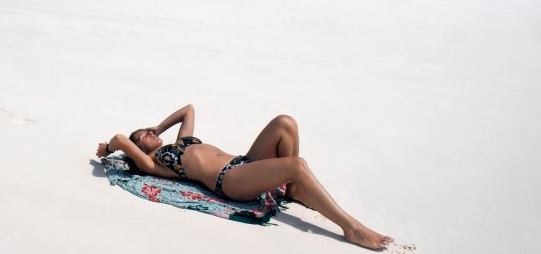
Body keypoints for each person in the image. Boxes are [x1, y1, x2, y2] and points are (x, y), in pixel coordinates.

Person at [96, 104, 394, 250]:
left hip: (244, 162)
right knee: (297, 164)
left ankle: (291, 190)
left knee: (284, 122)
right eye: (143, 136)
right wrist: (109, 148)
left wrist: (158, 129)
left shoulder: (180, 142)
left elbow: (188, 109)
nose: (147, 133)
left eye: (147, 130)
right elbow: (121, 139)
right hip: (230, 181)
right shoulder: (154, 163)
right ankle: (350, 227)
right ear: (139, 148)